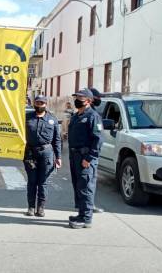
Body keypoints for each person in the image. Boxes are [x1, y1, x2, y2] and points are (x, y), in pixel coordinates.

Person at [67, 88, 103, 229]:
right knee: (78, 186)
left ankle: (86, 219)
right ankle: (81, 214)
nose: (77, 100)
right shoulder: (76, 116)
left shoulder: (93, 116)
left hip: (85, 157)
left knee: (86, 187)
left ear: (88, 101)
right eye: (76, 97)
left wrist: (89, 158)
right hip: (75, 156)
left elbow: (98, 140)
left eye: (80, 98)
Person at [23, 95, 62, 217]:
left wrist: (58, 157)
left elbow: (57, 140)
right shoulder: (27, 117)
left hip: (46, 153)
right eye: (37, 103)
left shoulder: (52, 119)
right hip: (30, 153)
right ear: (34, 103)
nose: (39, 105)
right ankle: (30, 207)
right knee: (32, 181)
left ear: (45, 104)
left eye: (41, 103)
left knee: (43, 182)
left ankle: (40, 208)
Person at [88, 87, 105, 214]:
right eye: (98, 98)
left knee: (85, 181)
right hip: (88, 155)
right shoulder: (93, 114)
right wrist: (91, 156)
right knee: (89, 182)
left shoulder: (88, 112)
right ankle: (88, 206)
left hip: (85, 154)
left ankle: (83, 205)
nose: (100, 100)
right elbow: (98, 138)